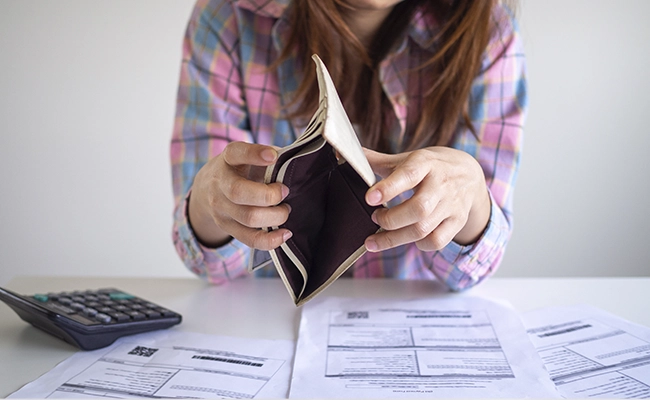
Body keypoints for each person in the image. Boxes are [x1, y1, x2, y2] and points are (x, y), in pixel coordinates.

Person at [171, 0, 526, 291]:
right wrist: (208, 203)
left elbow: (470, 272)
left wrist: (472, 199)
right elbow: (210, 266)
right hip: (270, 318)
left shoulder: (488, 28)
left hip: (409, 318)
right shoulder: (229, 15)